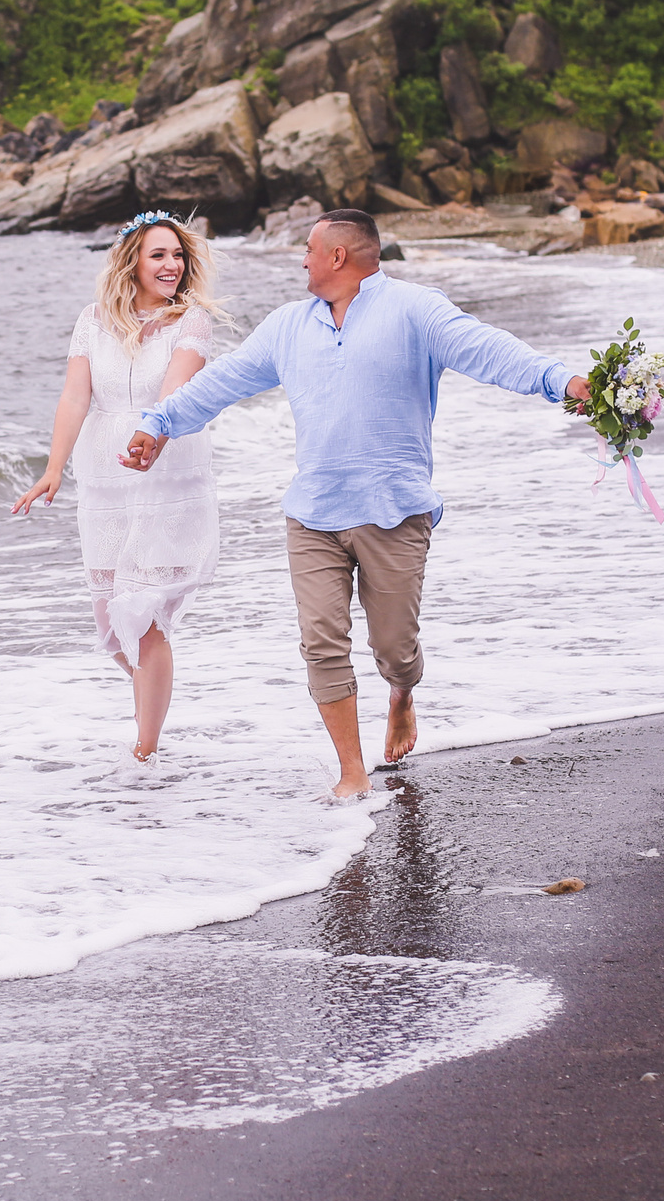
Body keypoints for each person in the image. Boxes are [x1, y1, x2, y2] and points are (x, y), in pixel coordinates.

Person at [123, 208, 591, 799]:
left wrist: (564, 382)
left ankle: (402, 693)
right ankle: (352, 770)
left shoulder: (416, 310)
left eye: (310, 250)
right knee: (321, 642)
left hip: (395, 510)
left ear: (338, 257)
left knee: (395, 647)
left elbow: (490, 350)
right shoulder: (289, 325)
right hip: (313, 513)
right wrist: (159, 423)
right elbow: (223, 382)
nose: (302, 260)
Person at [13, 211, 223, 762]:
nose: (172, 265)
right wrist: (53, 468)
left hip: (165, 473)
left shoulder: (192, 322)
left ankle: (145, 750)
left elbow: (174, 392)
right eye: (158, 255)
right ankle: (151, 700)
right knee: (110, 619)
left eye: (177, 255)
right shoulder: (93, 320)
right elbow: (75, 397)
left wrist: (148, 435)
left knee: (144, 614)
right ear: (132, 261)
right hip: (103, 482)